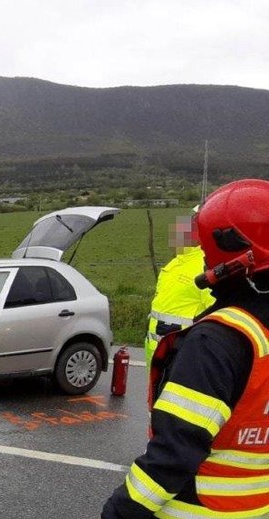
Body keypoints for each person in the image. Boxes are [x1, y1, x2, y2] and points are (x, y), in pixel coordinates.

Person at [102, 179, 269, 519]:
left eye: (207, 247)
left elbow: (173, 456)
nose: (203, 255)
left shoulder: (220, 341)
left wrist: (118, 512)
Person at [144, 210, 215, 367]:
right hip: (157, 353)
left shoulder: (204, 266)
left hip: (182, 355)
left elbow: (215, 315)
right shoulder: (175, 263)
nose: (177, 234)